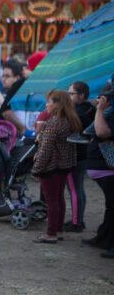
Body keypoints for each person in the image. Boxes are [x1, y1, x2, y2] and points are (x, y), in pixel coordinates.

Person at [32, 91, 81, 244]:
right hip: (64, 167)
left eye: (49, 101)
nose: (47, 104)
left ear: (58, 104)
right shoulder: (70, 121)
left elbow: (45, 150)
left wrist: (36, 169)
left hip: (51, 167)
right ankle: (57, 230)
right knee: (59, 199)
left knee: (52, 201)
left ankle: (51, 233)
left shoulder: (54, 123)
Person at [83, 88, 114, 258]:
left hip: (108, 168)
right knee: (111, 207)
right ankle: (104, 238)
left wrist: (100, 109)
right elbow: (90, 131)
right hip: (103, 168)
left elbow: (102, 132)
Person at [64, 81, 96, 232]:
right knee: (78, 189)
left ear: (81, 95)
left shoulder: (77, 112)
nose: (68, 96)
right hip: (83, 155)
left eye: (71, 94)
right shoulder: (91, 108)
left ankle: (76, 223)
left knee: (74, 190)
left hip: (74, 155)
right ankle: (79, 220)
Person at [0, 59, 26, 136]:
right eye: (3, 76)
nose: (3, 79)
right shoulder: (4, 90)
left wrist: (23, 129)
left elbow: (6, 112)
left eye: (7, 76)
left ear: (17, 77)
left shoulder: (16, 88)